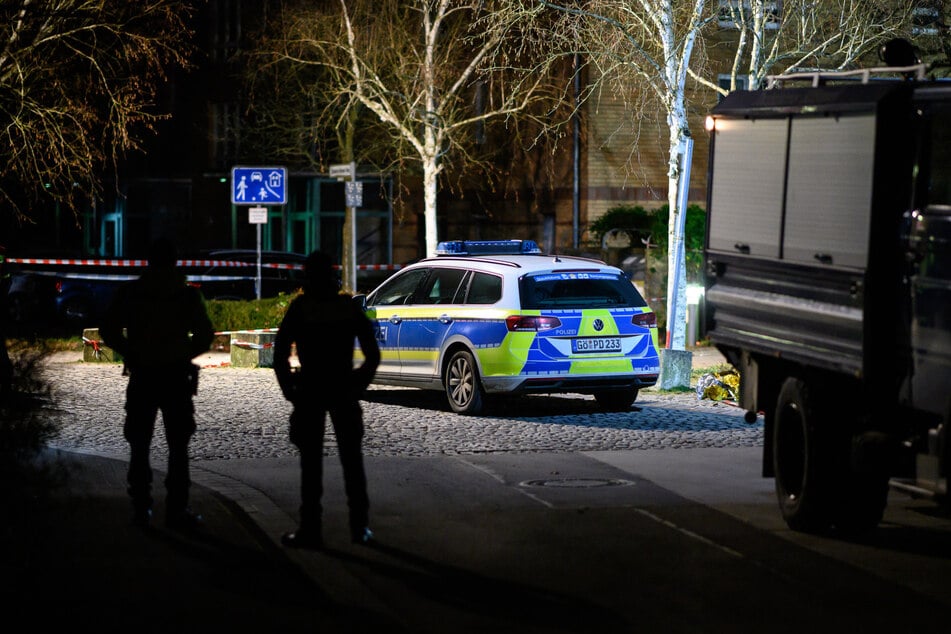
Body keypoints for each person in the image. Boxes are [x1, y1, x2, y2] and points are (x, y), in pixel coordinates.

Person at [101, 237, 214, 530]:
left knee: (139, 444)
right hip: (175, 377)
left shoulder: (132, 293)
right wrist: (182, 354)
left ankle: (141, 506)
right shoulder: (186, 295)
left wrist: (131, 352)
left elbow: (108, 329)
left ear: (148, 261)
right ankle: (177, 509)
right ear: (175, 261)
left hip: (143, 375)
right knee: (178, 446)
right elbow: (205, 334)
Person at [273, 251, 380, 549]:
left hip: (309, 389)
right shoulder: (346, 307)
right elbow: (372, 354)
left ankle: (311, 528)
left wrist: (289, 390)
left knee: (311, 464)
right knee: (352, 461)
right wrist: (357, 384)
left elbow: (280, 352)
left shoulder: (301, 308)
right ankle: (360, 527)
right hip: (343, 387)